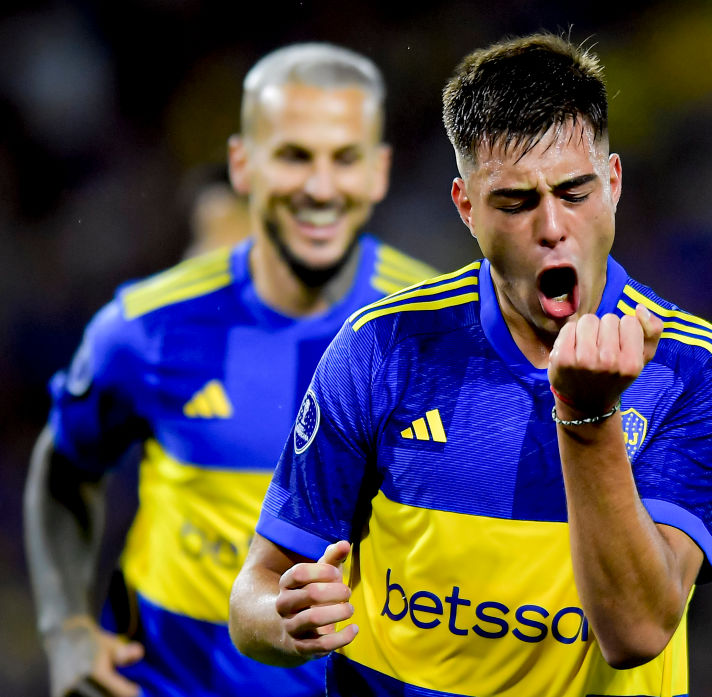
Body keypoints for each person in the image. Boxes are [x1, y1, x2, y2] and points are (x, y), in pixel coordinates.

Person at [229, 33, 712, 697]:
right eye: (515, 201)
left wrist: (589, 418)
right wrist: (282, 619)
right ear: (467, 206)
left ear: (614, 185)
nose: (552, 226)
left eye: (574, 191)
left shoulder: (697, 368)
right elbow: (258, 584)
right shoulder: (381, 347)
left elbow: (638, 631)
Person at [24, 42, 436, 697]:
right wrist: (65, 626)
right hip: (165, 681)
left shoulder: (436, 333)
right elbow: (64, 467)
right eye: (294, 156)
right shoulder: (145, 326)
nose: (321, 188)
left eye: (345, 158)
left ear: (380, 172)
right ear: (243, 166)